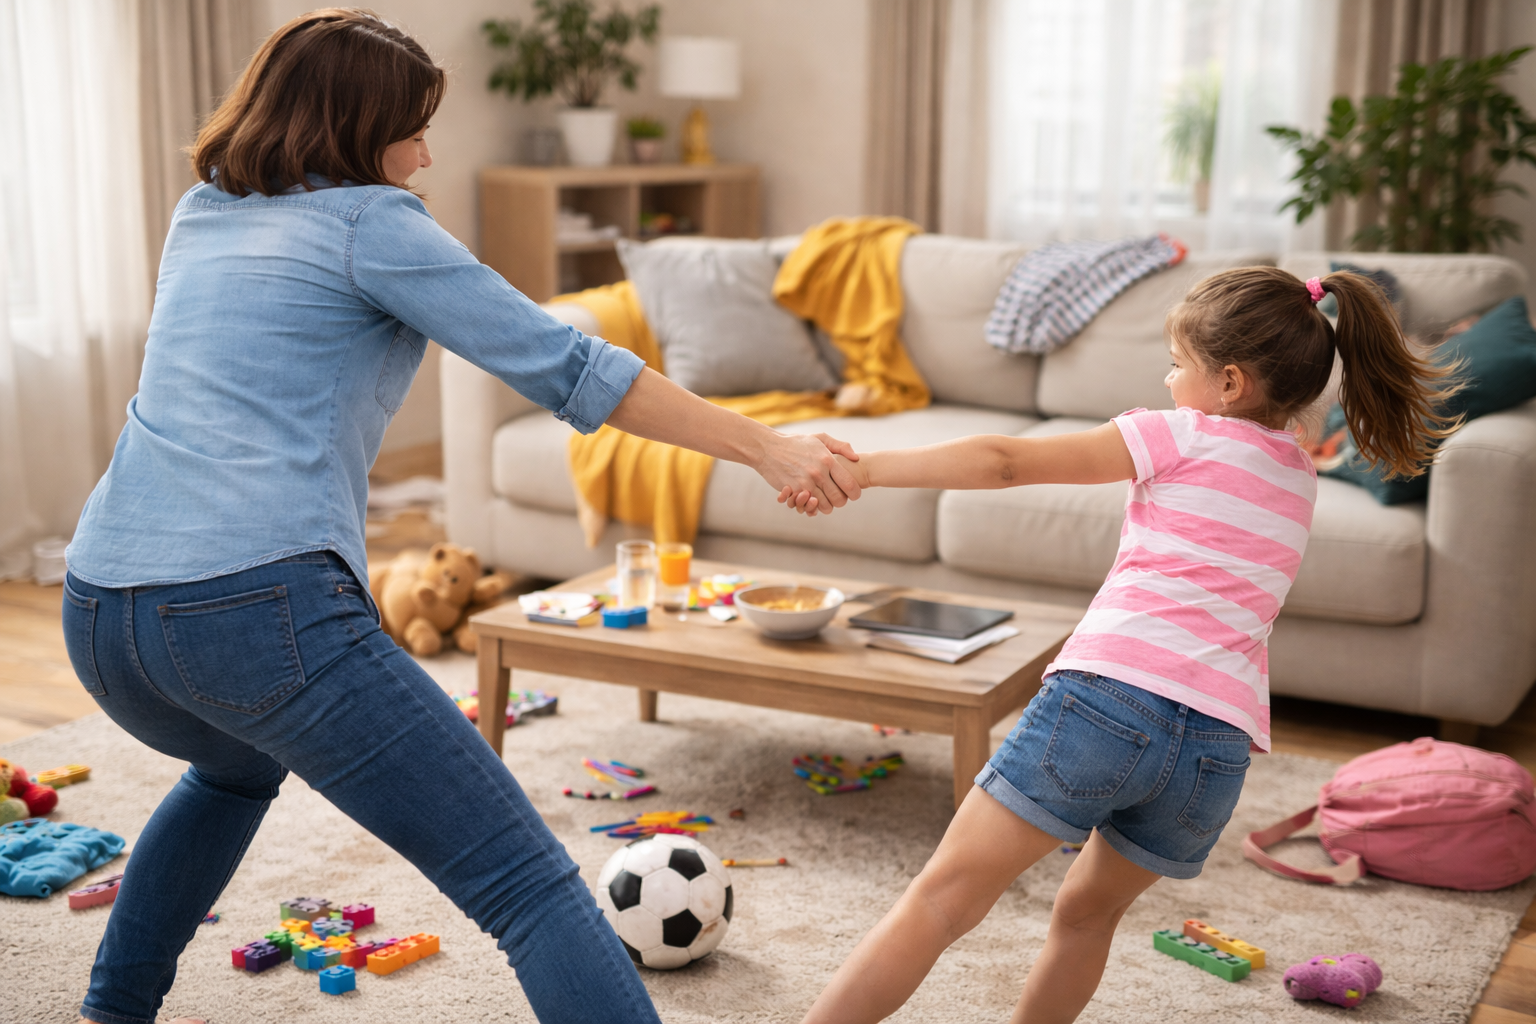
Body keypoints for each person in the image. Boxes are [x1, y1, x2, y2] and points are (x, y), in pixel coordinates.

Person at [61, 10, 861, 1024]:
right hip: (250, 610)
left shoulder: (203, 208)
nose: (427, 153)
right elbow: (570, 365)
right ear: (353, 128)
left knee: (231, 768)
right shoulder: (372, 222)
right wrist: (769, 446)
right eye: (412, 127)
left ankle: (110, 1010)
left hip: (101, 609)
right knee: (526, 884)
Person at [790, 266, 1458, 1024]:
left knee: (943, 901)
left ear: (1230, 382)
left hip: (1105, 706)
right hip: (1215, 753)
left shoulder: (1178, 431)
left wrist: (866, 469)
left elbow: (1005, 462)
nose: (1169, 380)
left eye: (1179, 365)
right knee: (1085, 917)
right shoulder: (1298, 474)